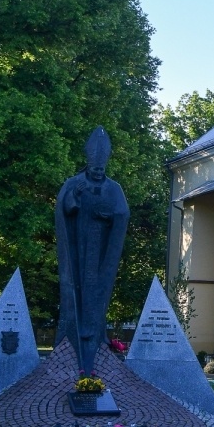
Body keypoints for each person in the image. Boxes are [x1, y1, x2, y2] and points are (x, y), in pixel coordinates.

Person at [56, 127, 129, 375]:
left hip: (100, 247)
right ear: (88, 163)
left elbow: (122, 214)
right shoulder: (74, 183)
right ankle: (76, 330)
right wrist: (74, 198)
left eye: (101, 169)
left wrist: (108, 217)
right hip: (78, 246)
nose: (98, 172)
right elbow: (65, 210)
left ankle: (93, 331)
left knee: (96, 287)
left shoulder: (113, 188)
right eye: (95, 168)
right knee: (78, 285)